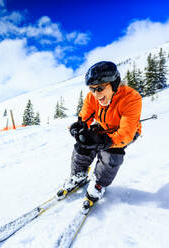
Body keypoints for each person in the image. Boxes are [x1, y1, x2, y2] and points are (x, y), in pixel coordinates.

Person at [56, 61, 142, 213]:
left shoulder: (131, 98)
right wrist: (79, 128)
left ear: (114, 84)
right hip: (104, 126)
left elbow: (126, 133)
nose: (96, 94)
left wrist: (104, 142)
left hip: (125, 132)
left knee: (112, 153)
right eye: (92, 89)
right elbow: (84, 118)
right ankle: (78, 175)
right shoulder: (92, 98)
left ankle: (99, 184)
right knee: (83, 142)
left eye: (100, 88)